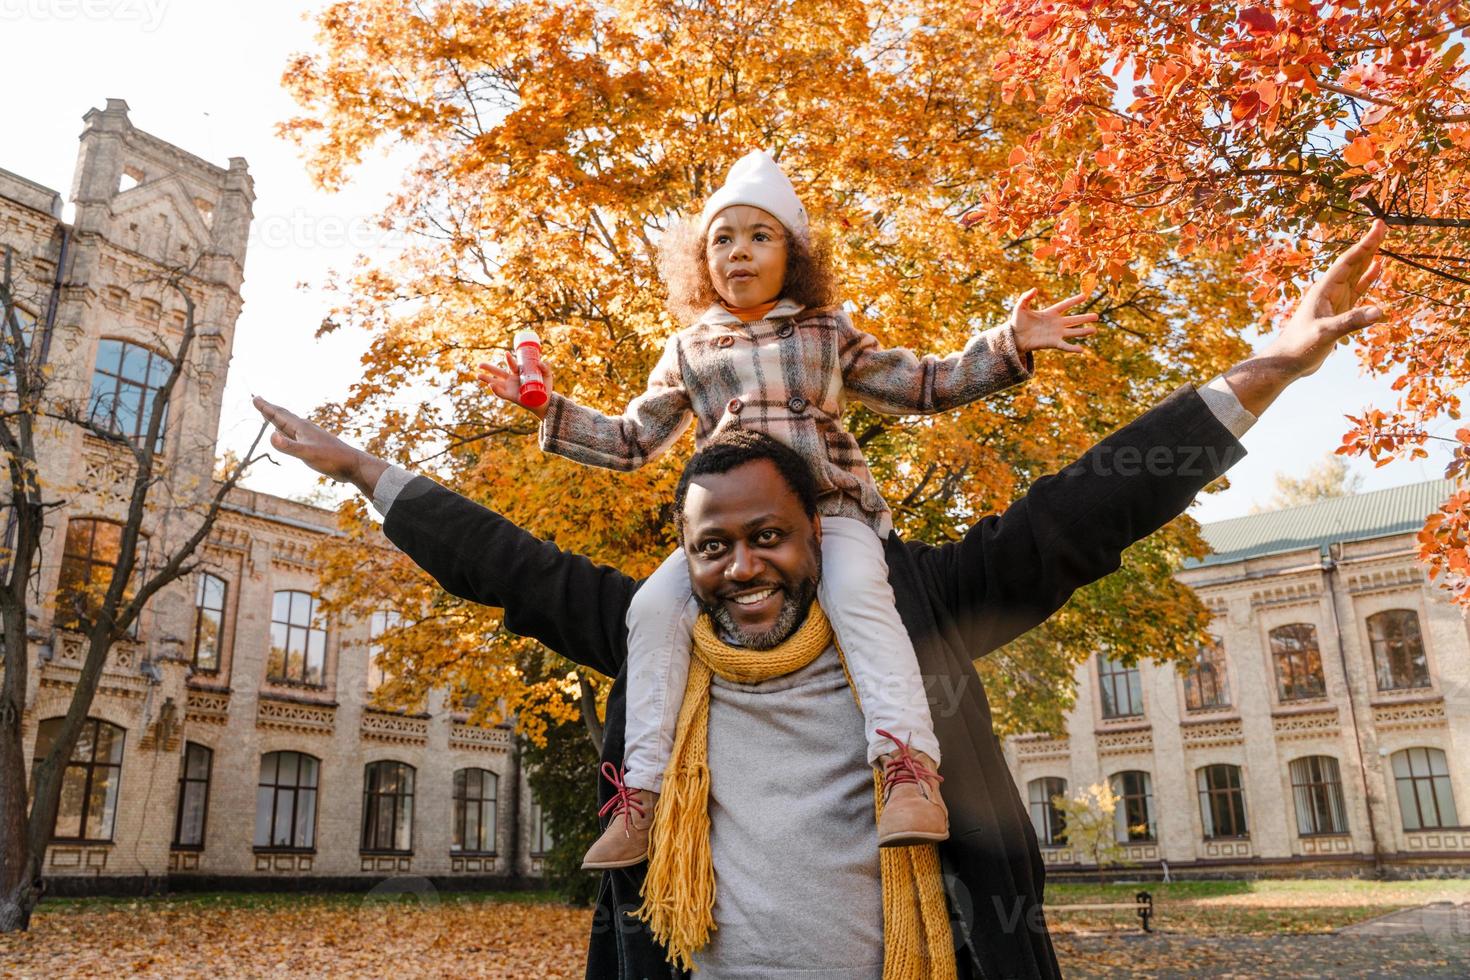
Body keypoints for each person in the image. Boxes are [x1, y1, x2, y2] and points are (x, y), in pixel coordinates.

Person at [254, 220, 1386, 979]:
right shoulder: (667, 631)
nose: (742, 565)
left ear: (815, 525)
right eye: (713, 545)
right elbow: (506, 563)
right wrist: (365, 470)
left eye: (766, 536)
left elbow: (1078, 514)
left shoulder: (911, 603)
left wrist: (1269, 367)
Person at [476, 150, 1100, 868]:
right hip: (726, 530)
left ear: (793, 256)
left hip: (827, 514)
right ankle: (642, 797)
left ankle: (909, 773)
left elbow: (922, 385)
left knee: (864, 595)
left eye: (759, 235)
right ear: (700, 261)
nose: (738, 250)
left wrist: (1007, 344)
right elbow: (629, 442)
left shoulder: (825, 333)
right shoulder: (688, 349)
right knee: (650, 613)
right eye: (722, 238)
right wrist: (549, 407)